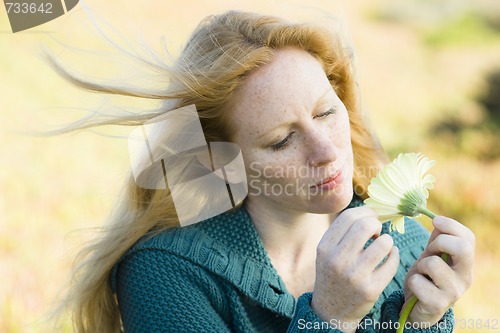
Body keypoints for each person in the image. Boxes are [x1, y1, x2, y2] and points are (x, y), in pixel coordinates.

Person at [55, 10, 475, 332]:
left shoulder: (410, 245)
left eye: (327, 111)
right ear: (219, 160)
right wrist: (329, 318)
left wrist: (426, 319)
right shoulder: (165, 274)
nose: (327, 151)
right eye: (282, 140)